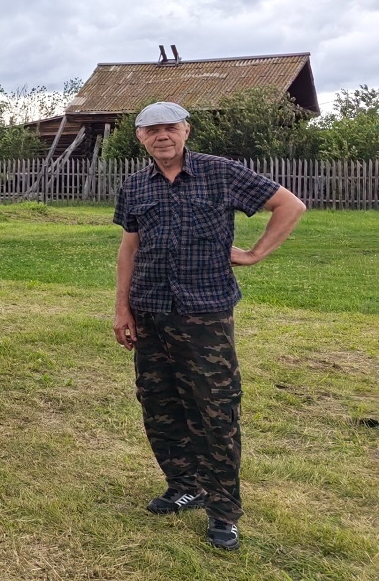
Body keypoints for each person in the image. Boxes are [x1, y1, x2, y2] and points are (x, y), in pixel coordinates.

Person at [112, 101, 306, 551]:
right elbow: (128, 249)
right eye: (152, 130)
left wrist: (256, 253)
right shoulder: (136, 186)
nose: (162, 136)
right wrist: (122, 308)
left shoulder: (222, 173)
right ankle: (185, 484)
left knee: (215, 409)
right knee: (160, 403)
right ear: (140, 138)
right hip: (151, 311)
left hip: (206, 313)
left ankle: (224, 510)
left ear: (186, 131)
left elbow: (289, 205)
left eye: (170, 128)